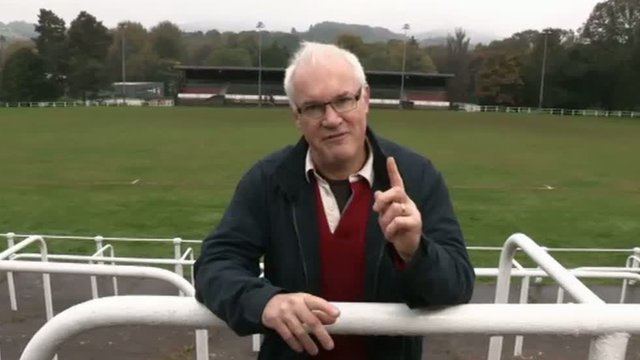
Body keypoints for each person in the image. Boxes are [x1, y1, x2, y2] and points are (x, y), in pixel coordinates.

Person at [194, 42, 475, 360]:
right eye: (314, 107)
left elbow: (458, 285)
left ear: (365, 98)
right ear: (296, 116)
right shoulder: (268, 180)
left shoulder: (417, 177)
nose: (331, 119)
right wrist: (266, 302)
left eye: (343, 100)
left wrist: (414, 251)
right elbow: (214, 266)